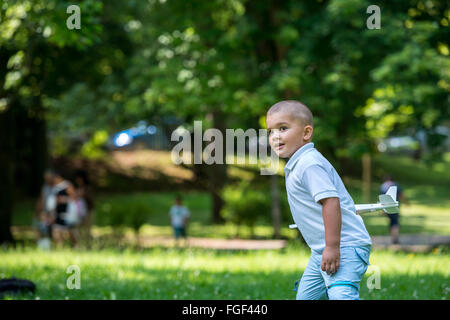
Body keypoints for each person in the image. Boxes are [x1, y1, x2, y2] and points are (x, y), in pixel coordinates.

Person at [266, 100, 372, 300]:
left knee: (342, 296)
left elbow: (331, 202)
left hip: (344, 246)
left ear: (306, 133)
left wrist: (332, 247)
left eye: (283, 128)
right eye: (270, 131)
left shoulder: (309, 164)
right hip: (321, 251)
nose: (275, 136)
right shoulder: (298, 164)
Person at [50, 171, 79, 247]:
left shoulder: (67, 185)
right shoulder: (55, 187)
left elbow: (74, 198)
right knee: (56, 231)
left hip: (67, 213)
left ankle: (75, 246)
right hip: (58, 212)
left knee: (69, 232)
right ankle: (60, 248)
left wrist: (62, 199)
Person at [380, 175, 409, 245]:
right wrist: (406, 202)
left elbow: (381, 198)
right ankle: (395, 239)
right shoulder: (395, 185)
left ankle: (392, 238)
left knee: (391, 222)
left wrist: (382, 210)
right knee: (395, 222)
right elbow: (401, 195)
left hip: (386, 208)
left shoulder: (383, 186)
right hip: (394, 207)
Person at [34, 170, 56, 249]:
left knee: (54, 230)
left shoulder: (57, 187)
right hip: (45, 212)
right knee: (43, 229)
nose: (47, 180)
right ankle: (44, 246)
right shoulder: (45, 187)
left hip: (55, 213)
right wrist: (38, 211)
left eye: (48, 178)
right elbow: (42, 199)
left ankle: (54, 246)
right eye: (46, 178)